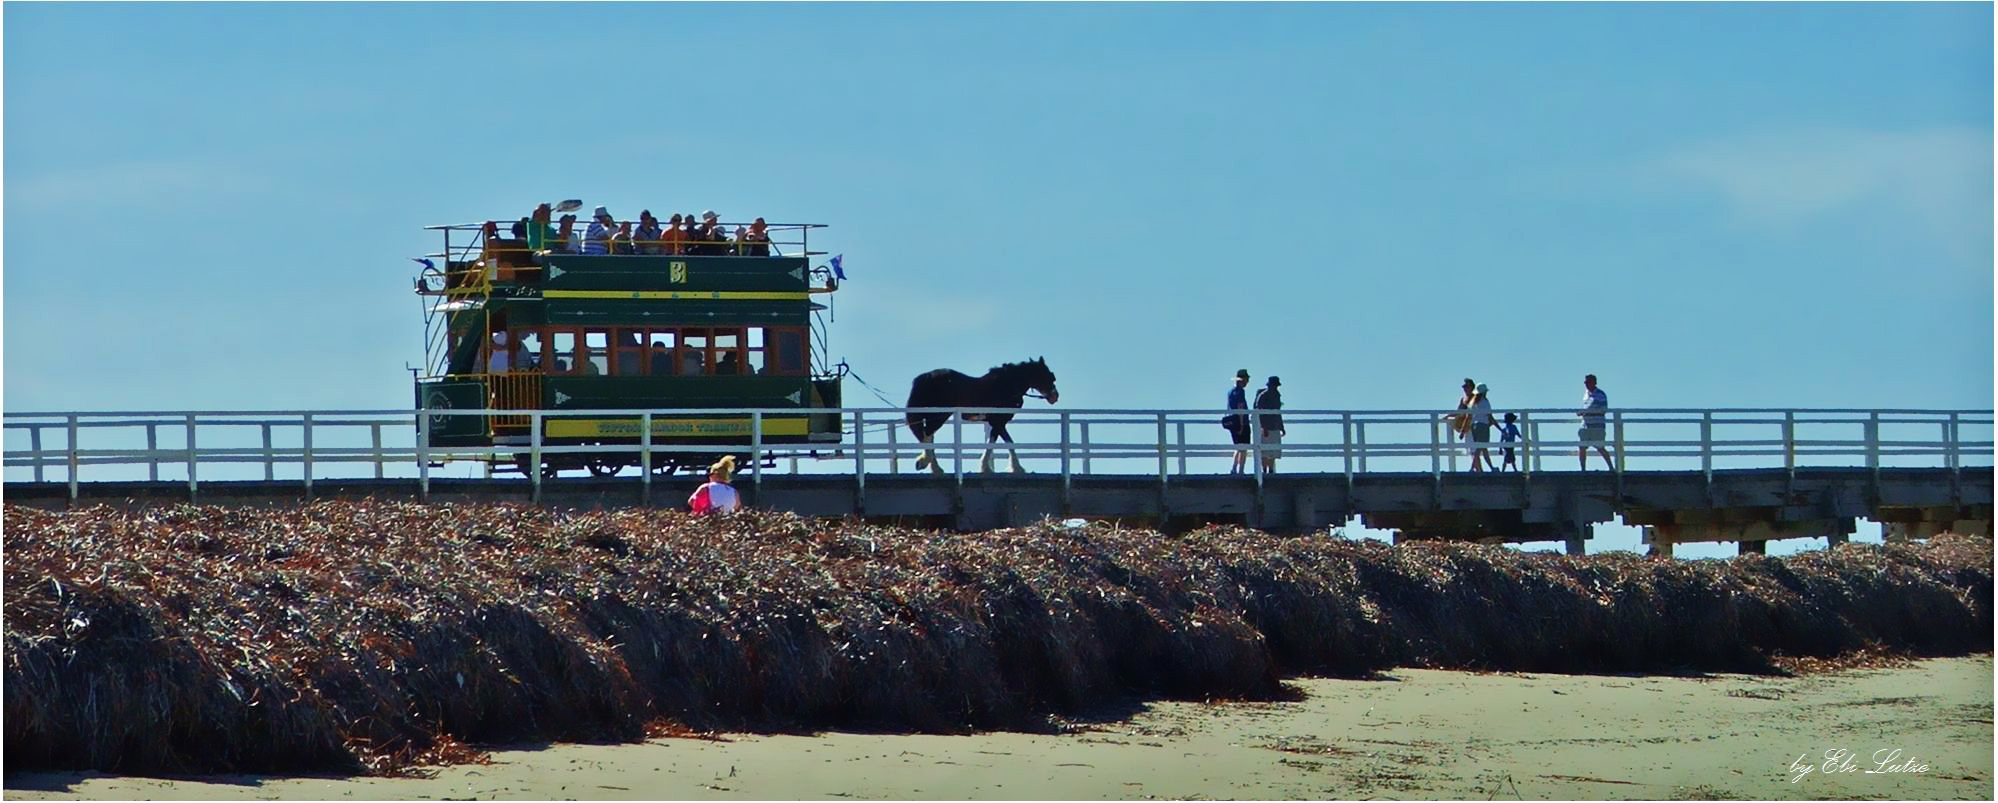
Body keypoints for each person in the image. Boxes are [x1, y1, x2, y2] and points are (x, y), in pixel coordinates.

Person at [1577, 373, 1612, 470]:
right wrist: (1583, 413)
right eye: (1586, 382)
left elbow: (1603, 409)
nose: (1587, 384)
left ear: (1594, 383)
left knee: (1600, 447)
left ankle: (1610, 467)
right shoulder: (1586, 395)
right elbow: (1586, 407)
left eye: (1588, 382)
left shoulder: (1600, 394)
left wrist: (1588, 412)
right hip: (1586, 425)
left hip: (1597, 426)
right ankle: (1583, 469)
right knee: (1582, 447)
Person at [1254, 376, 1285, 474]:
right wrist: (1263, 427)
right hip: (1265, 427)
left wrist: (1281, 427)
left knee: (1273, 451)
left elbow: (1278, 412)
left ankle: (1271, 470)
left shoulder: (1277, 395)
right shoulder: (1263, 396)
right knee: (1264, 451)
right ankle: (1264, 470)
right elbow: (1259, 413)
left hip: (1275, 426)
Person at [1223, 368, 1252, 474]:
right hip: (1241, 422)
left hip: (1233, 422)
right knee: (1243, 448)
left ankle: (1234, 468)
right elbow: (1240, 408)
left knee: (1238, 446)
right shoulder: (1240, 392)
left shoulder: (1231, 392)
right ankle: (1241, 470)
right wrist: (1241, 424)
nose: (1247, 382)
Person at [1468, 383, 1496, 472]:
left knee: (1482, 448)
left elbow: (1470, 415)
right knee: (1480, 448)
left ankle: (1491, 467)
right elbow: (1490, 416)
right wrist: (1499, 428)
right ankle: (1472, 468)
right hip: (1483, 425)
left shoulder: (1473, 402)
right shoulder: (1485, 401)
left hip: (1474, 426)